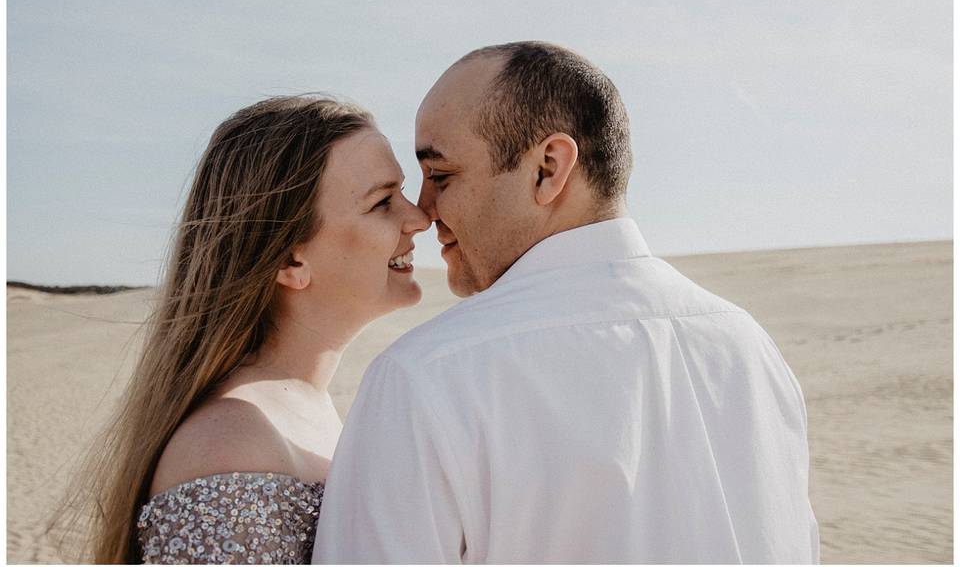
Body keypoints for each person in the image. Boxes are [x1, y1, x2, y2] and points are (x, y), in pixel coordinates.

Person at [313, 42, 819, 563]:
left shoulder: (427, 377)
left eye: (441, 176)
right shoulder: (752, 349)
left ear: (548, 169)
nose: (423, 210)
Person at [64, 96, 430, 563]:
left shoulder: (303, 409)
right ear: (289, 259)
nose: (419, 217)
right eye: (383, 202)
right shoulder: (229, 445)